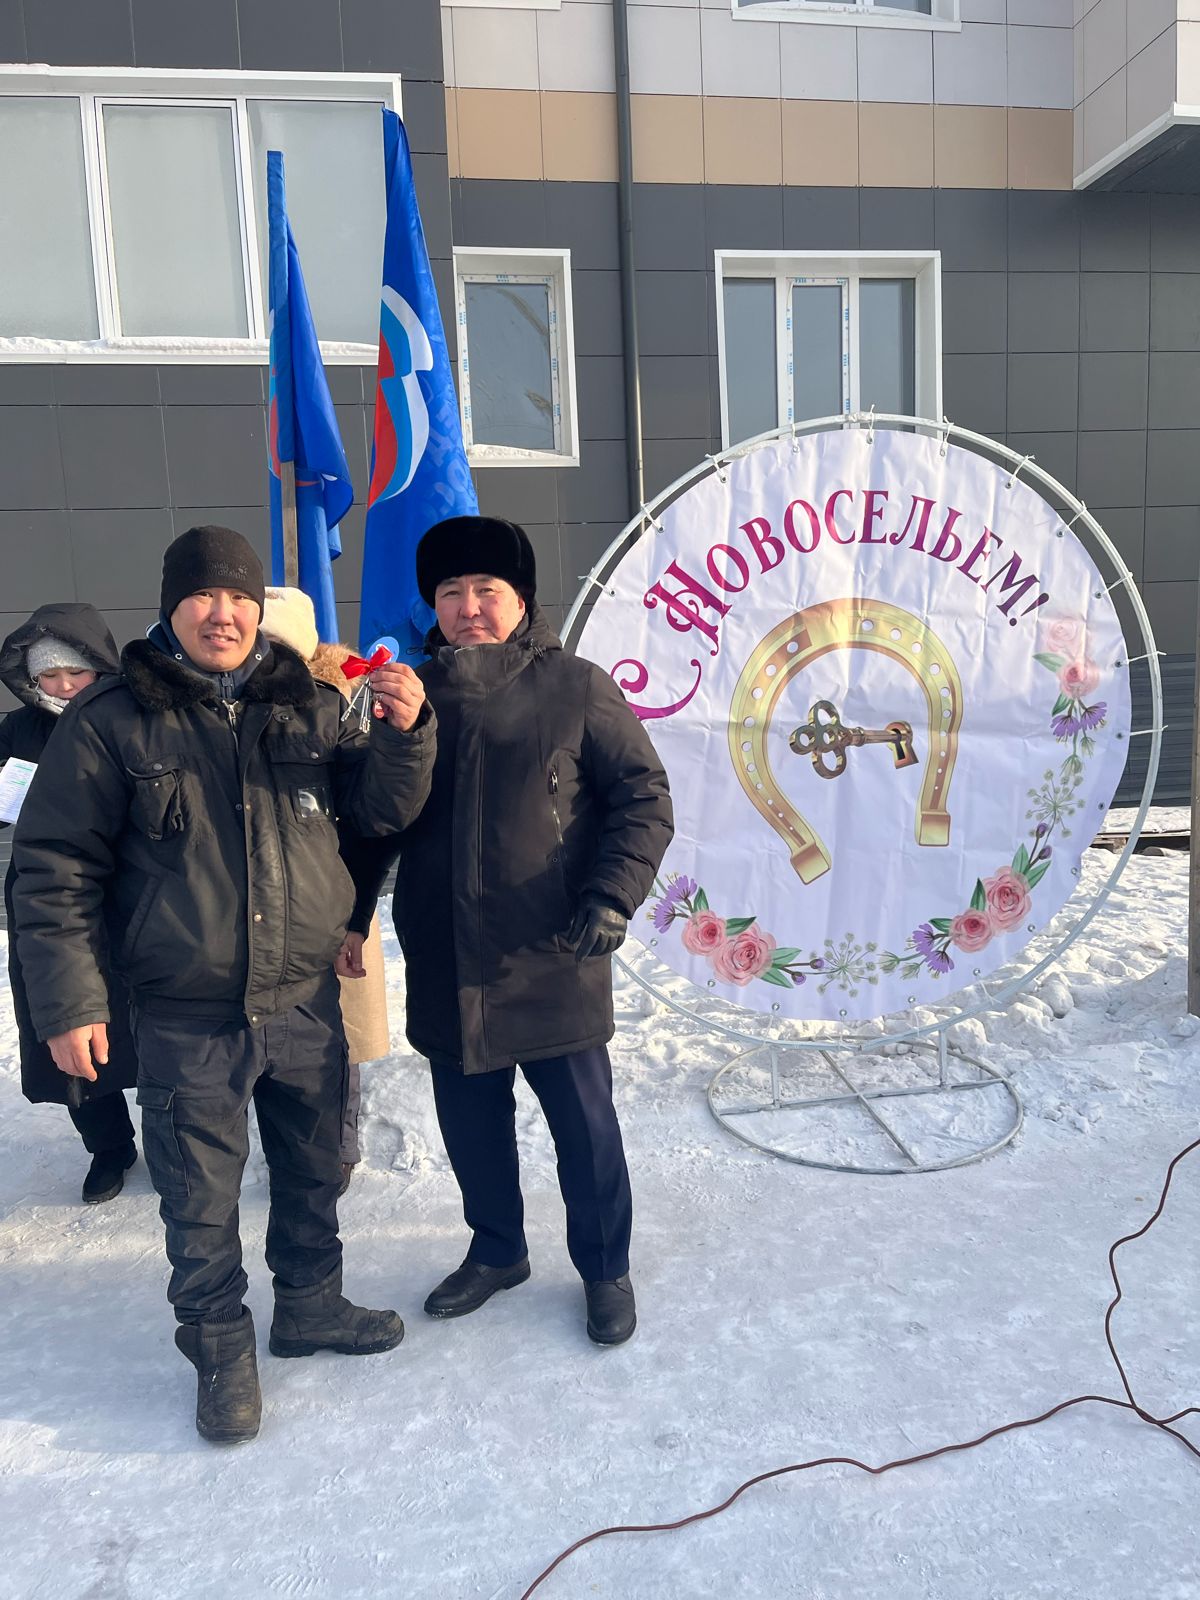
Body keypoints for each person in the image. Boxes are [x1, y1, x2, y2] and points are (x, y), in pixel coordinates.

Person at [12, 526, 434, 1444]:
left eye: (241, 596)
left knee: (314, 1170)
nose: (224, 613)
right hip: (186, 1013)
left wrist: (407, 737)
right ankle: (219, 1350)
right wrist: (71, 1002)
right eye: (203, 595)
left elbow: (377, 814)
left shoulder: (308, 704)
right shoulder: (110, 719)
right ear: (172, 606)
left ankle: (310, 1305)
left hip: (303, 1000)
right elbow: (52, 870)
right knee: (199, 1200)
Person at [390, 515, 673, 1346]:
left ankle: (605, 1268)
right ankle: (497, 1250)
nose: (468, 607)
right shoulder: (412, 695)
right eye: (450, 592)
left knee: (584, 1130)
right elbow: (374, 822)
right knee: (470, 1126)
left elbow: (644, 797)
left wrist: (612, 894)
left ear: (521, 599)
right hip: (446, 954)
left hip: (553, 951)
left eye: (487, 589)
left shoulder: (575, 687)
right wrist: (346, 916)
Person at [0, 604, 140, 1202]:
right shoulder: (18, 730)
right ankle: (108, 1145)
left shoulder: (132, 714)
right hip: (49, 896)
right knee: (65, 1021)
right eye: (47, 675)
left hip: (131, 890)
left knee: (151, 1020)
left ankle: (178, 1135)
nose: (61, 686)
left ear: (99, 667)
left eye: (74, 672)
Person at [260, 585, 396, 1195]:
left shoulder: (341, 708)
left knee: (337, 1032)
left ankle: (339, 1142)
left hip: (334, 898)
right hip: (261, 906)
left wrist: (356, 915)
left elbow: (374, 821)